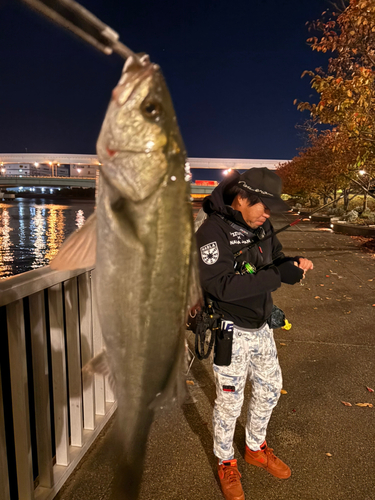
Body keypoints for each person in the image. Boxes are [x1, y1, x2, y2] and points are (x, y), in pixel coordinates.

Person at [195, 168, 313, 500]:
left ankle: (255, 447)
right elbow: (219, 285)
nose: (266, 214)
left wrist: (291, 267)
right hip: (230, 330)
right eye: (262, 206)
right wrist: (274, 277)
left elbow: (274, 260)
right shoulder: (210, 232)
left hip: (262, 327)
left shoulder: (263, 225)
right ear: (241, 198)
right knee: (230, 403)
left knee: (270, 389)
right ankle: (226, 461)